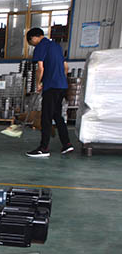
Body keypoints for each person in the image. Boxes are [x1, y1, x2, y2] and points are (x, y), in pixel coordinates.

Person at [25, 27, 74, 158]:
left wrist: (38, 83)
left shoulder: (41, 46)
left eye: (31, 42)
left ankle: (44, 148)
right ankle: (67, 144)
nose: (32, 44)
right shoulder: (56, 46)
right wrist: (60, 79)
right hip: (62, 86)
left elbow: (40, 68)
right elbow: (66, 67)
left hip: (51, 86)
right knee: (57, 115)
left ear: (34, 37)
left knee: (46, 117)